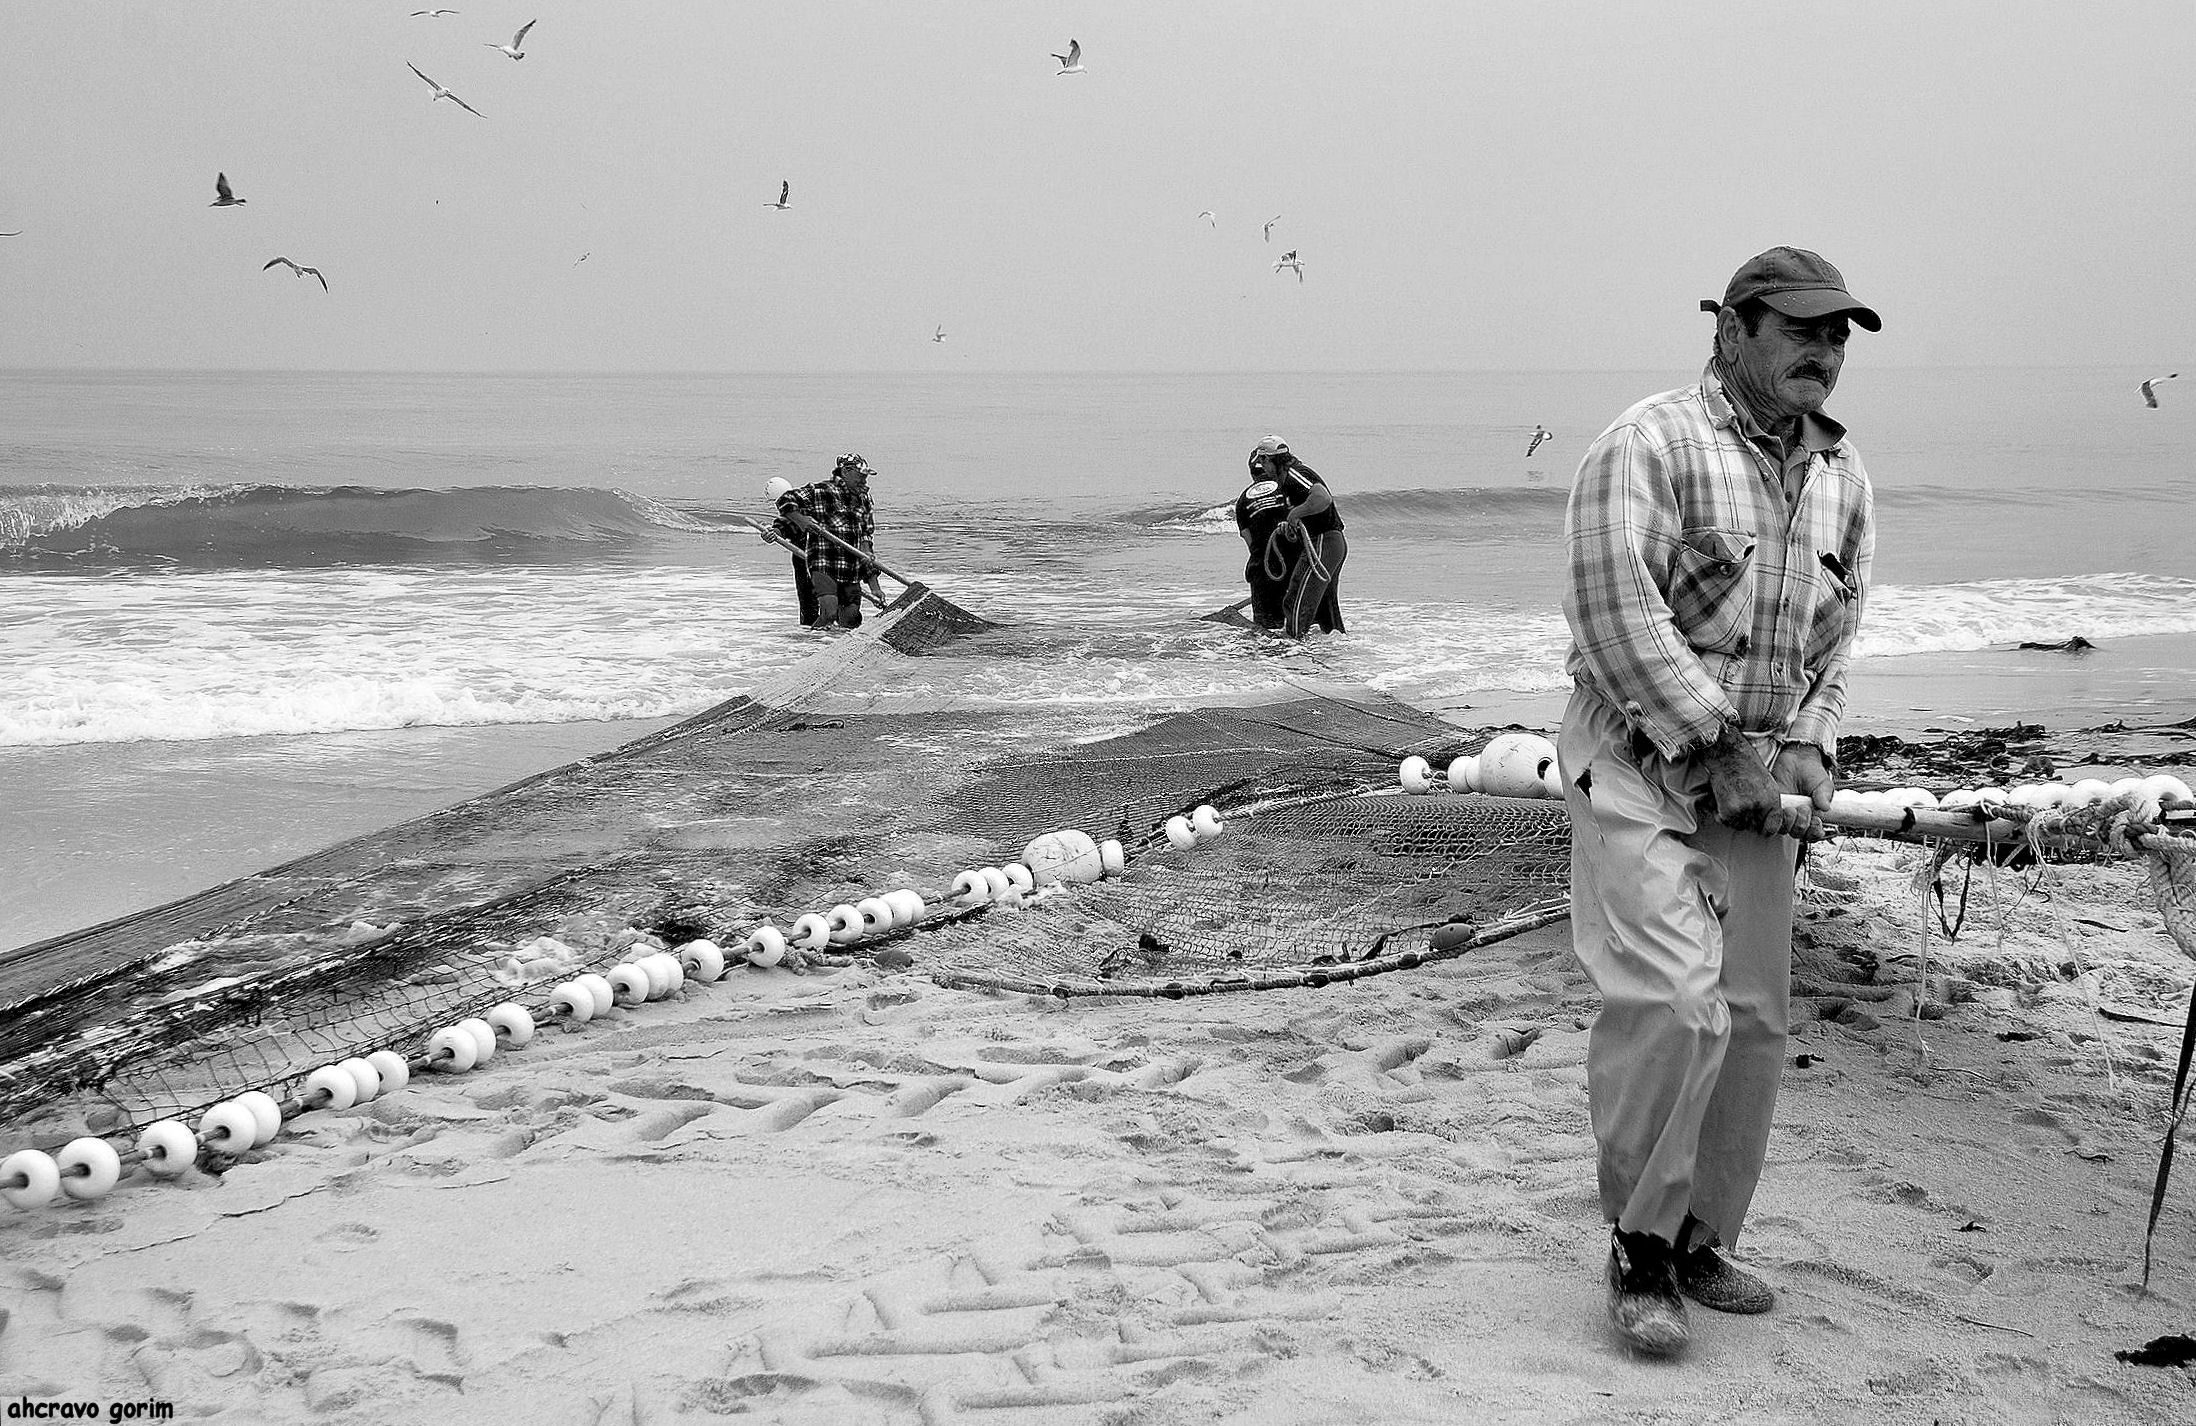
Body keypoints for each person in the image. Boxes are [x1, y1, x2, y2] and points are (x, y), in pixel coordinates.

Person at [1557, 247, 1879, 1357]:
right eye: (1801, 329)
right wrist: (1715, 742)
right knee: (1674, 1001)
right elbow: (1610, 608)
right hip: (1637, 755)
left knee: (1751, 1016)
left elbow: (1838, 637)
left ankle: (1702, 1238)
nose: (1824, 351)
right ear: (1732, 330)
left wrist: (1811, 743)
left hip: (1757, 777)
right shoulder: (1649, 443)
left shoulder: (1842, 474)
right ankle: (1640, 1249)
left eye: (1837, 335)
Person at [1232, 435, 1346, 637]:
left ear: (1269, 459)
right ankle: (1333, 645)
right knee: (1325, 606)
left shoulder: (1294, 474)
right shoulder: (1283, 484)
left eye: (1264, 462)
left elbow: (1322, 498)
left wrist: (1294, 514)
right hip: (1325, 544)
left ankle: (1293, 646)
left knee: (1295, 603)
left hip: (1322, 542)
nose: (1265, 468)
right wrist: (1290, 524)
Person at [773, 453, 887, 628]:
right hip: (824, 563)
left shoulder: (864, 499)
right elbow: (785, 500)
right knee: (829, 612)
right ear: (846, 472)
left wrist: (875, 587)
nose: (864, 480)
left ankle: (837, 643)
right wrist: (801, 521)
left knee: (851, 619)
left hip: (851, 568)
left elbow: (865, 540)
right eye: (861, 475)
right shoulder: (820, 491)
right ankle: (813, 642)